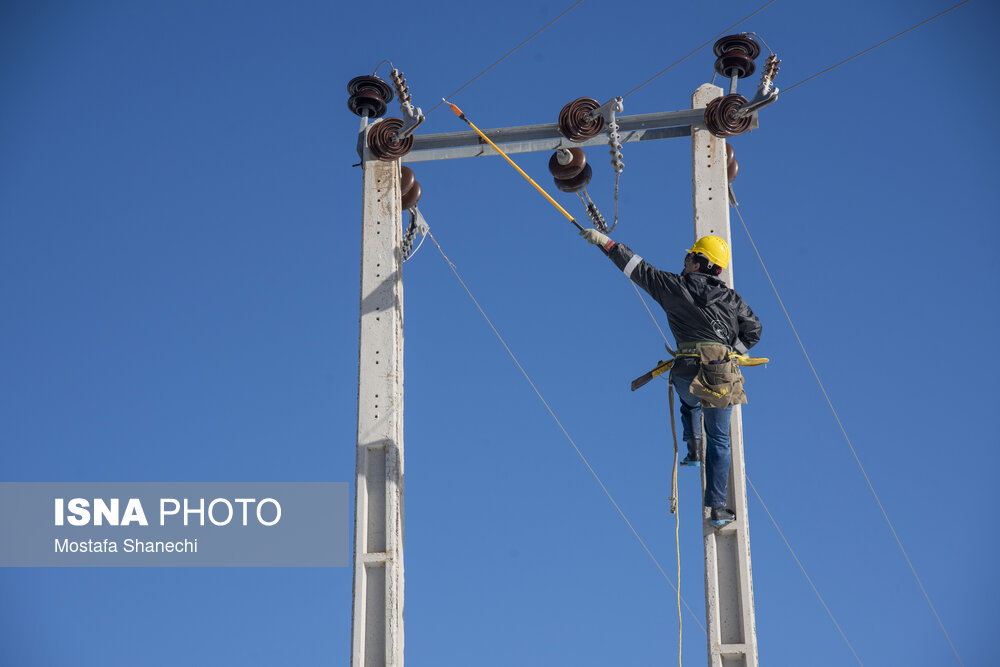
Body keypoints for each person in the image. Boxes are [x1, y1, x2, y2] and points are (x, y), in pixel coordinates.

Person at [580, 229, 762, 526]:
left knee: (690, 403)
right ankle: (717, 510)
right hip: (720, 371)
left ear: (699, 263)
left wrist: (605, 242)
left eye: (689, 258)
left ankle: (694, 449)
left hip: (686, 368)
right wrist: (731, 351)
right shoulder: (731, 299)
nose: (684, 261)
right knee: (720, 438)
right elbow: (754, 329)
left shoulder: (674, 286)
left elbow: (637, 268)